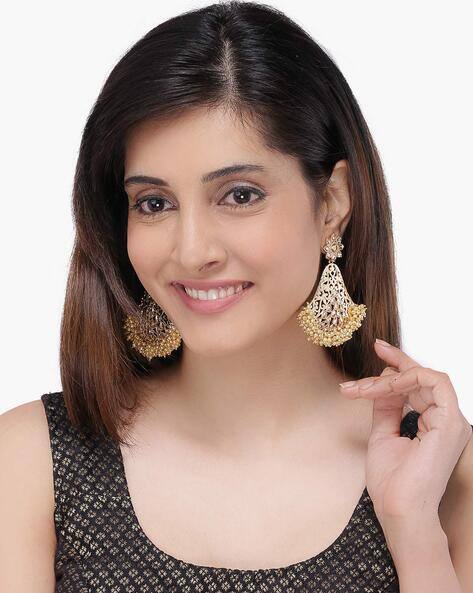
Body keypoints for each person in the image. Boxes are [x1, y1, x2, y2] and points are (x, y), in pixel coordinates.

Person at [1, 1, 472, 591]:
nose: (192, 250)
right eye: (154, 203)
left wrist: (414, 530)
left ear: (332, 203)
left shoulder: (441, 469)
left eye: (240, 195)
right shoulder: (31, 462)